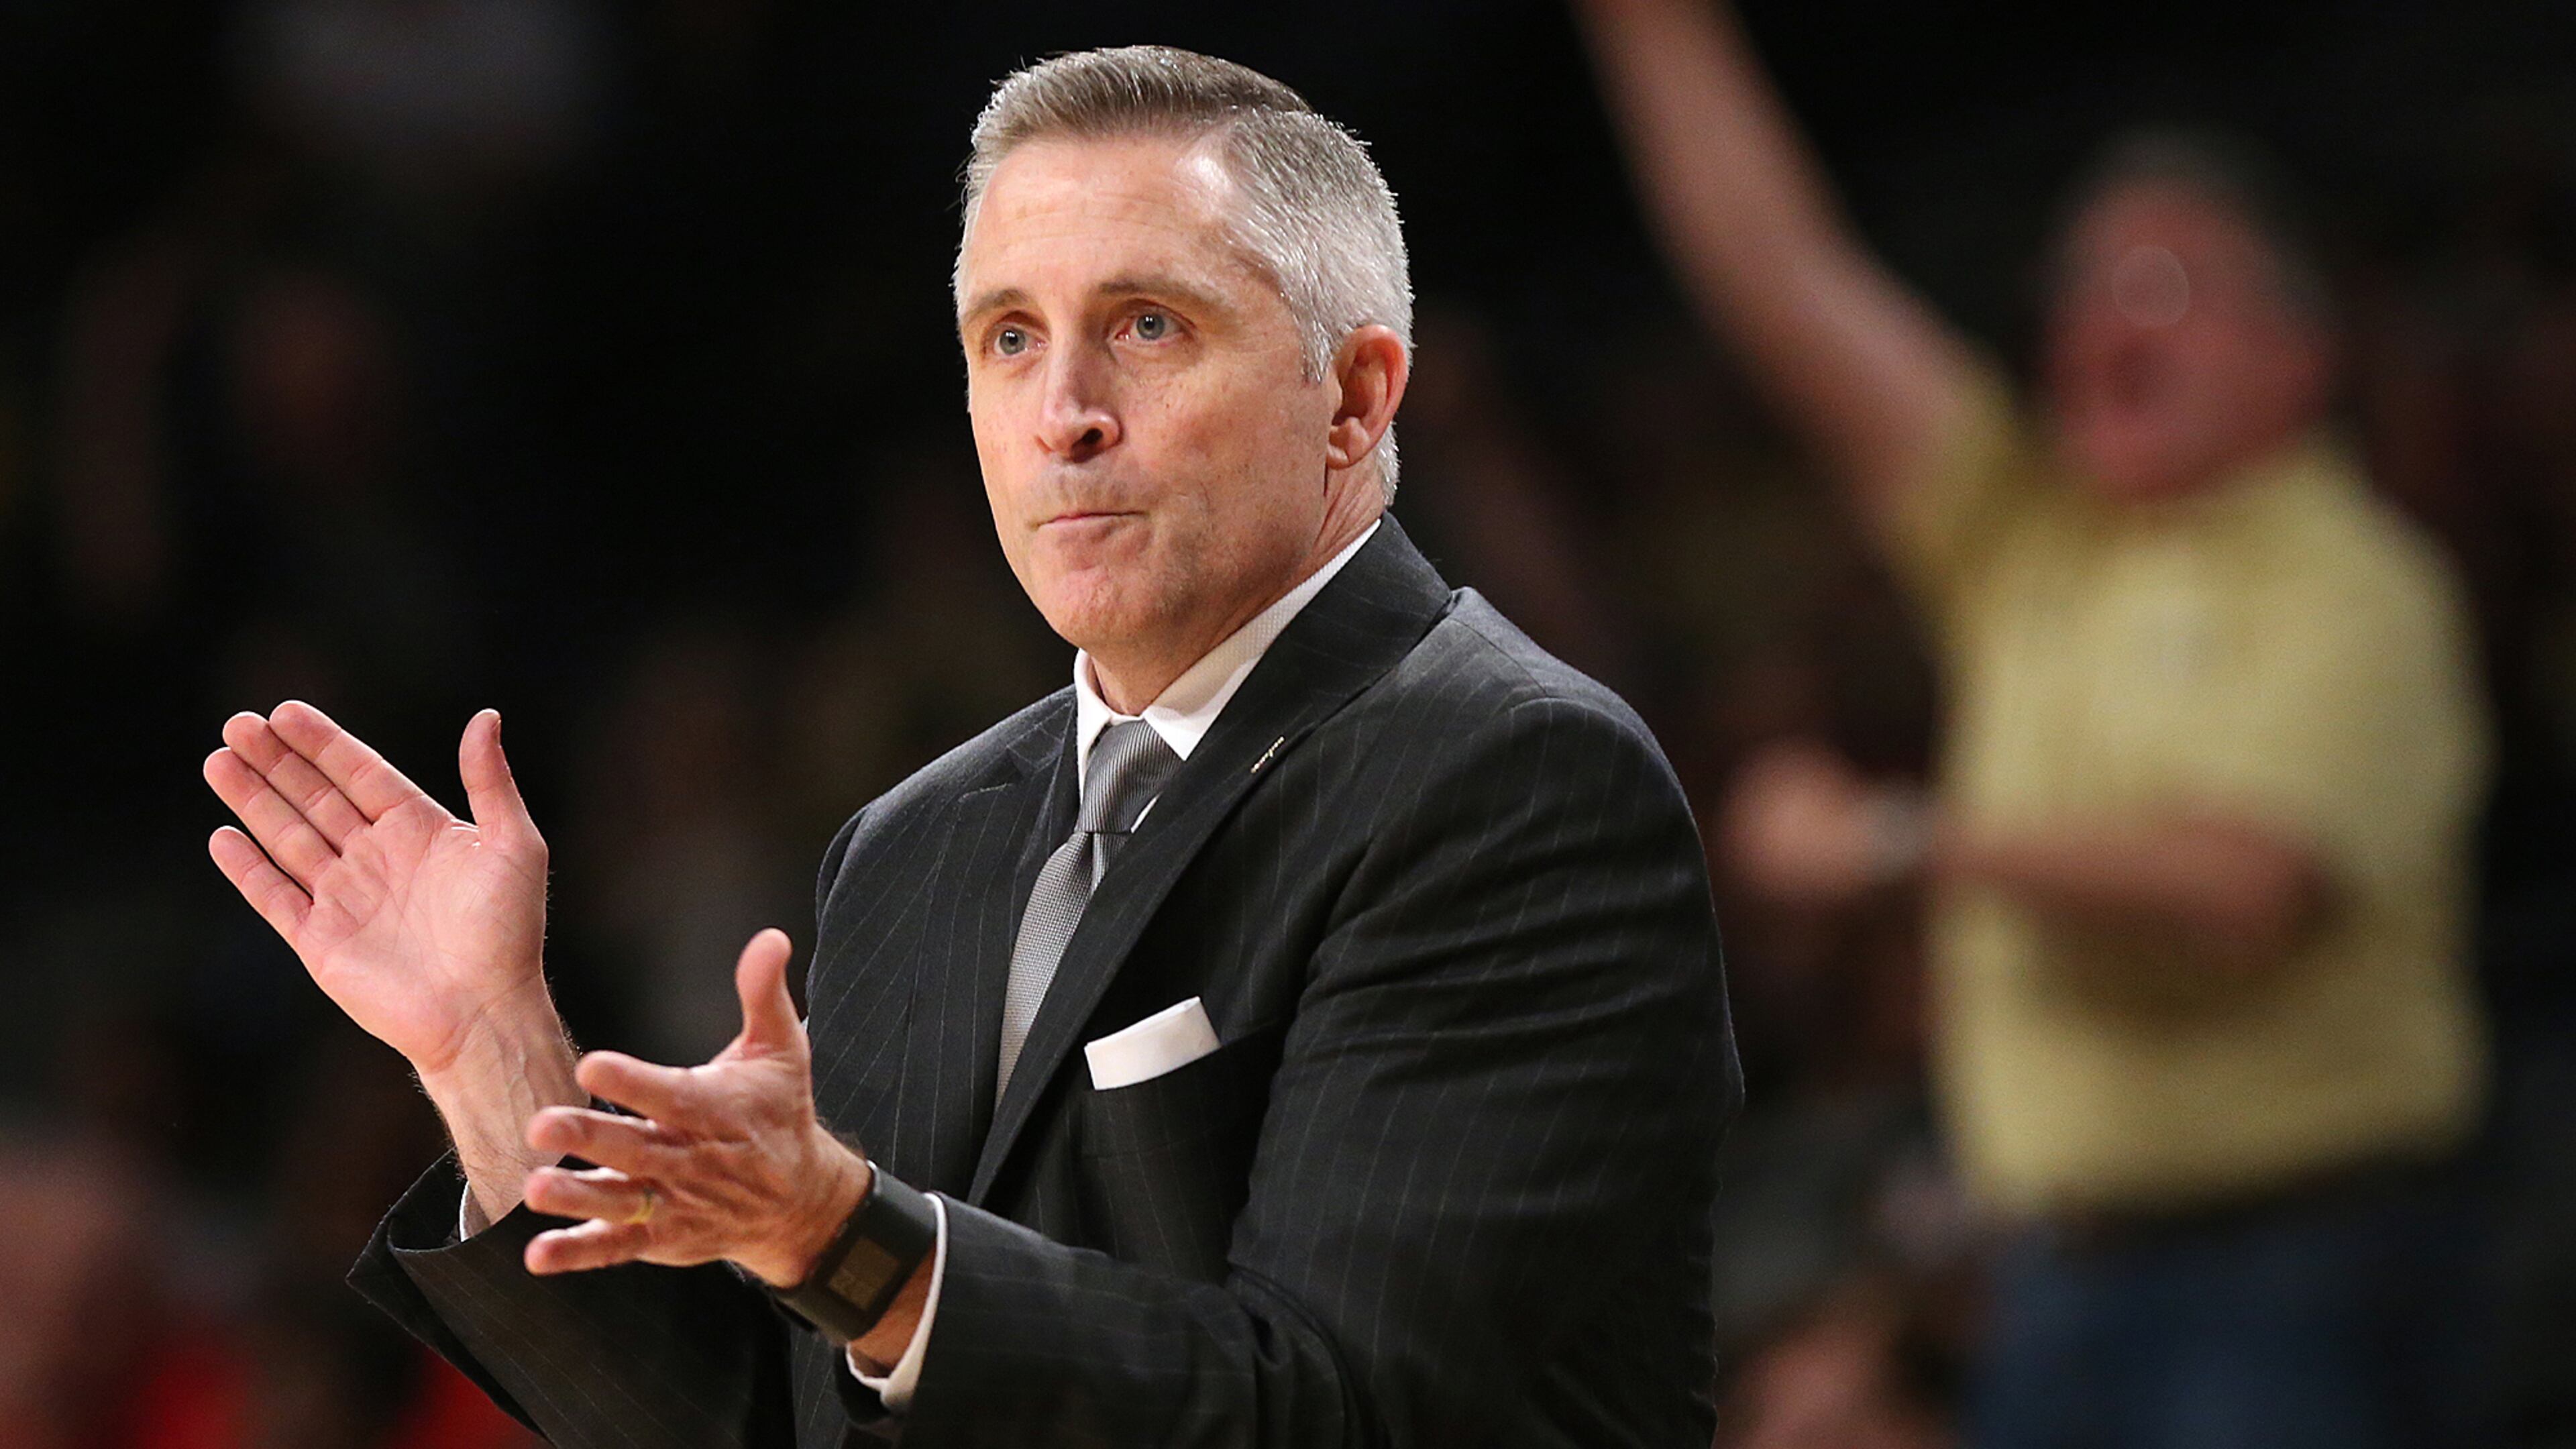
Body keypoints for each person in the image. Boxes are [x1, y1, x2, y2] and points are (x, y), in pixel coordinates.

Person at [200, 46, 1739, 1449]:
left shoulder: (1512, 780)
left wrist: (844, 1239)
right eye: (1010, 338)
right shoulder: (917, 845)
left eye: (1147, 325)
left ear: (1353, 399)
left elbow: (1341, 1413)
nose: (1063, 412)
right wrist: (494, 1057)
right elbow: (770, 1430)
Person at [1572, 3, 2493, 1446]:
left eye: (2163, 283)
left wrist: (1892, 839)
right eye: (2079, 287)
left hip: (2297, 1264)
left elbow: (2246, 883)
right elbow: (1777, 276)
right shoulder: (2033, 542)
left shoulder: (2357, 586)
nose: (2098, 319)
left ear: (2297, 351)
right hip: (2060, 1272)